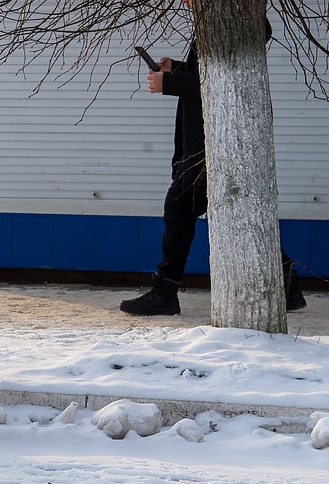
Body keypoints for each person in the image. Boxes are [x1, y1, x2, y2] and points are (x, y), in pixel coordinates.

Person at [121, 0, 304, 316]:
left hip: (211, 147)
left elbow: (223, 79)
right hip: (211, 144)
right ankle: (287, 286)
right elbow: (209, 71)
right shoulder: (220, 20)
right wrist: (175, 68)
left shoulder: (238, 20)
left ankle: (165, 292)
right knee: (235, 213)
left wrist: (170, 83)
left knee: (180, 208)